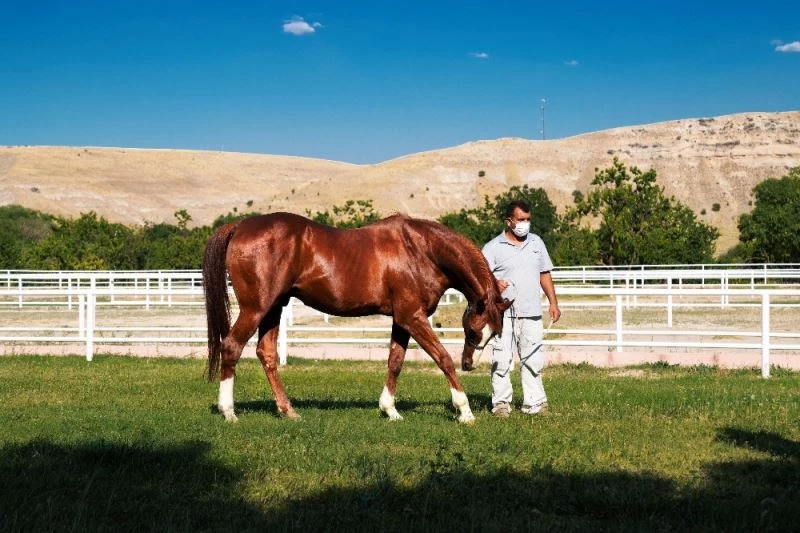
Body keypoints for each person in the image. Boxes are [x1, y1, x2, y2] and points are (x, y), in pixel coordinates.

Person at [481, 200, 561, 417]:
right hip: (502, 315)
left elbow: (544, 274)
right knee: (501, 360)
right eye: (521, 220)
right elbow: (480, 279)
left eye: (528, 219)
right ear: (509, 221)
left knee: (533, 359)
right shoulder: (492, 248)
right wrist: (494, 284)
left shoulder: (537, 243)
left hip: (532, 313)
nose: (525, 224)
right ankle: (501, 404)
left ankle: (535, 404)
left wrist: (553, 302)